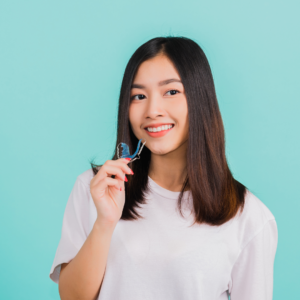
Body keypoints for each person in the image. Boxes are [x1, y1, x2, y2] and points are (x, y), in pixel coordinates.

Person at [49, 36, 278, 300]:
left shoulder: (250, 218)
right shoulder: (96, 189)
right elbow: (71, 297)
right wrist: (104, 223)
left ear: (200, 99)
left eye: (171, 91)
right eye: (139, 96)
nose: (152, 110)